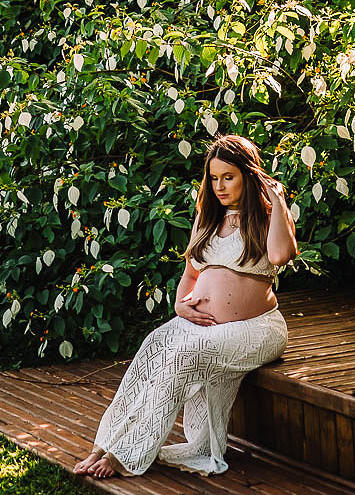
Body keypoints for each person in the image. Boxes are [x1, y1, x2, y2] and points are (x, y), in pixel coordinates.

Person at [73, 133, 298, 479]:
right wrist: (180, 305)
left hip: (257, 328)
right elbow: (191, 272)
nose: (220, 186)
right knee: (152, 348)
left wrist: (278, 199)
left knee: (182, 359)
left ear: (249, 175)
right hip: (202, 321)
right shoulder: (209, 218)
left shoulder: (267, 217)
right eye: (214, 177)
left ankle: (125, 456)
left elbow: (282, 255)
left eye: (229, 177)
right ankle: (104, 445)